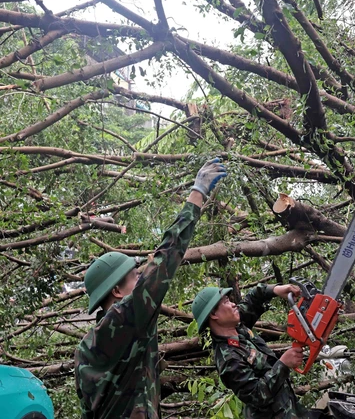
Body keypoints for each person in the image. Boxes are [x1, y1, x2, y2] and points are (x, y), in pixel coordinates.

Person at [74, 158, 227, 419]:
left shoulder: (92, 344)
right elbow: (163, 263)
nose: (142, 280)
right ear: (117, 292)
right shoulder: (123, 321)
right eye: (135, 277)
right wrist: (197, 195)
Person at [192, 283, 308, 418]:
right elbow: (257, 395)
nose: (234, 304)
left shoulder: (237, 325)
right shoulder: (229, 359)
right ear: (213, 314)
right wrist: (283, 365)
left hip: (291, 409)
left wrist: (276, 290)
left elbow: (254, 297)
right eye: (226, 302)